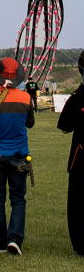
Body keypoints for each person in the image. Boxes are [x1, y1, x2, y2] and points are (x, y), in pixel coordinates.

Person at [0, 57, 34, 256]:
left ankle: (0, 242)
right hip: (19, 155)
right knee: (18, 199)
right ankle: (15, 239)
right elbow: (30, 124)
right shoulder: (26, 99)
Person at [56, 51, 84, 256]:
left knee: (78, 204)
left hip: (80, 159)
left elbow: (65, 127)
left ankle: (81, 246)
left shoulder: (76, 100)